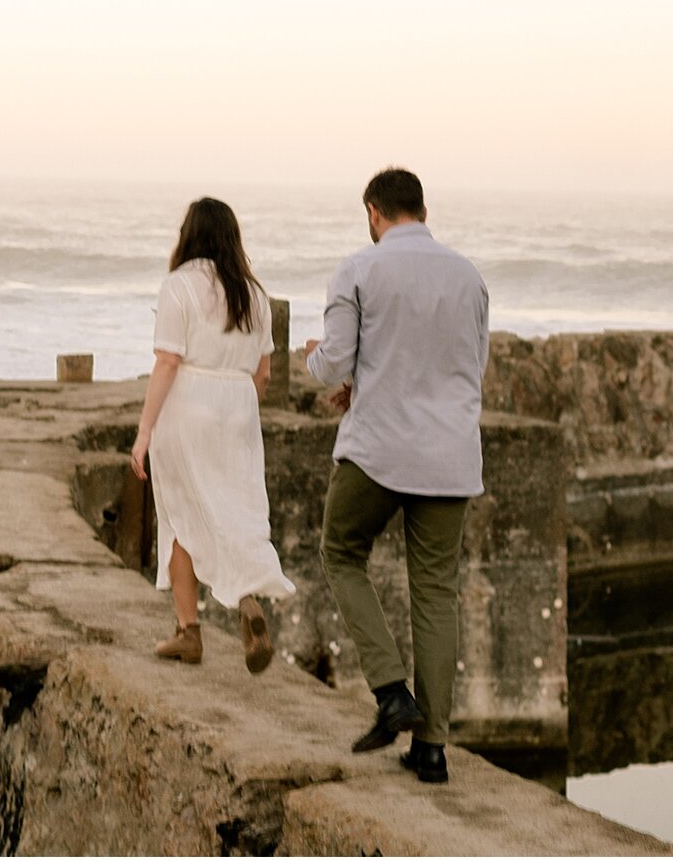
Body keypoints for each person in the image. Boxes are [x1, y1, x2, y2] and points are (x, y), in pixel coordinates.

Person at [302, 166, 489, 786]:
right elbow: (467, 367)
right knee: (436, 593)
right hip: (449, 455)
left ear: (374, 212)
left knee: (340, 551)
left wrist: (319, 364)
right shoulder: (469, 277)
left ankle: (389, 691)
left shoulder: (360, 268)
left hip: (379, 450)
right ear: (423, 210)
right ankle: (432, 749)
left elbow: (334, 363)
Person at [129, 197, 295, 673]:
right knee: (232, 512)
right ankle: (246, 601)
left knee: (182, 516)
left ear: (189, 235)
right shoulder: (253, 294)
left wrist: (144, 433)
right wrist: (238, 409)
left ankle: (189, 632)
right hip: (238, 408)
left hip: (189, 405)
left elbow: (167, 362)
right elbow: (263, 373)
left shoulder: (178, 287)